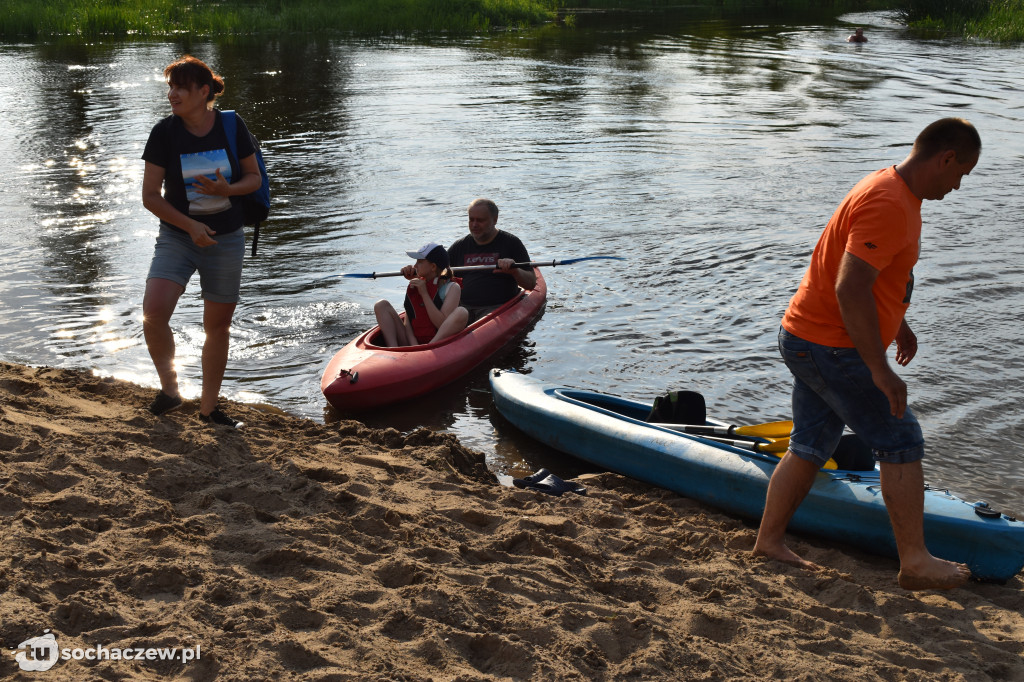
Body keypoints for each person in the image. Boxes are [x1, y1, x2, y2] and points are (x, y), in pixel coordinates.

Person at [753, 118, 982, 591]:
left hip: (810, 334)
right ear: (945, 158)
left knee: (811, 444)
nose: (958, 186)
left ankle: (769, 542)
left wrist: (899, 324)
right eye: (961, 174)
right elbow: (850, 285)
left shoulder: (888, 186)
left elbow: (871, 276)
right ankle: (915, 561)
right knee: (901, 441)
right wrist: (879, 370)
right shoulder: (890, 202)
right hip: (830, 344)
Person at [140, 55, 262, 429]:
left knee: (217, 327)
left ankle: (209, 409)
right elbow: (150, 196)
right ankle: (171, 391)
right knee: (154, 312)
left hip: (226, 239)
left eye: (180, 87)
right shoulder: (164, 132)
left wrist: (229, 188)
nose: (172, 94)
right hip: (178, 236)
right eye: (170, 87)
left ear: (203, 92)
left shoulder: (230, 125)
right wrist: (190, 226)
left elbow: (254, 179)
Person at [447, 198, 537, 323]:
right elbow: (436, 272)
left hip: (497, 309)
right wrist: (416, 272)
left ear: (495, 220)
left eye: (480, 220)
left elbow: (531, 284)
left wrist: (515, 271)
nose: (474, 225)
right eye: (471, 219)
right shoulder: (459, 246)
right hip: (463, 309)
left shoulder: (511, 243)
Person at [373, 243, 468, 347]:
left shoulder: (452, 288)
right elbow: (408, 323)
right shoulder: (415, 284)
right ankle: (393, 349)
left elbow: (441, 325)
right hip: (411, 343)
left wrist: (424, 293)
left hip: (438, 342)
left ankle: (429, 348)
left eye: (419, 262)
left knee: (462, 312)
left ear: (433, 266)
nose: (415, 266)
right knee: (381, 305)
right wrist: (414, 346)